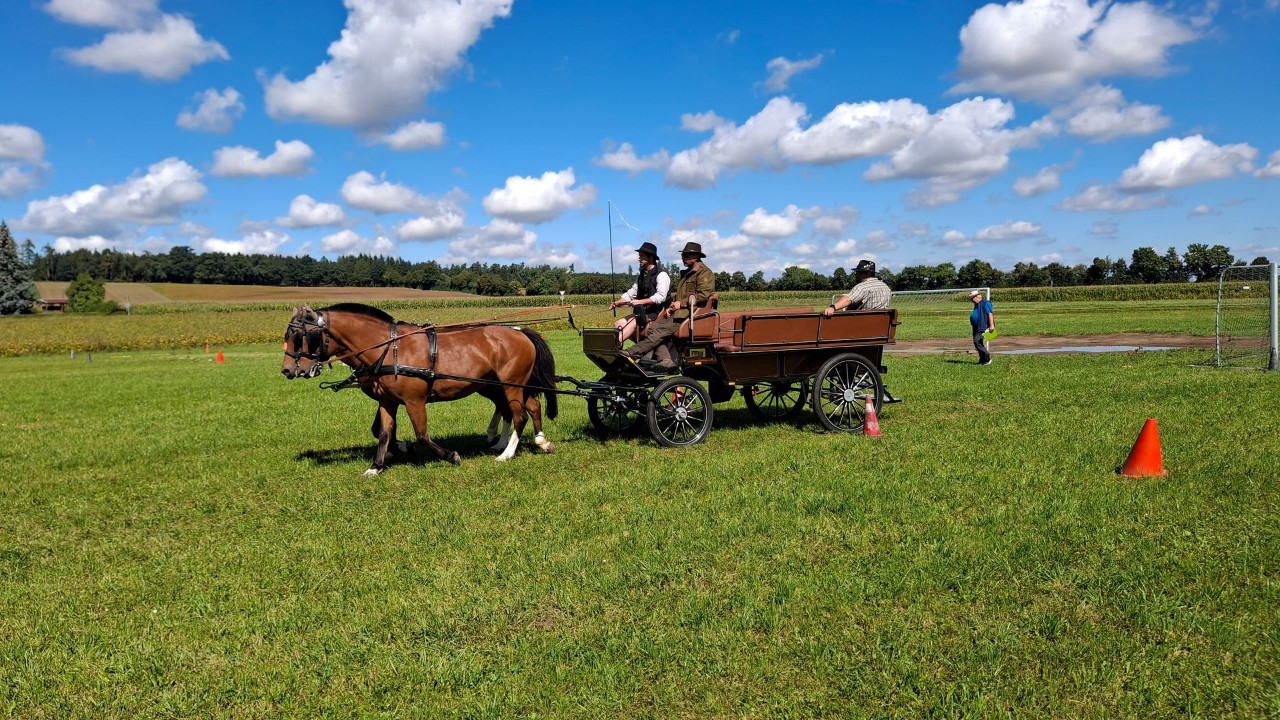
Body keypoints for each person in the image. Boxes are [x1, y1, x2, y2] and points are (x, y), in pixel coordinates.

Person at [620, 241, 715, 373]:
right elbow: (682, 295)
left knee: (658, 331)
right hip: (680, 312)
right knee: (653, 329)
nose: (683, 258)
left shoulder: (704, 273)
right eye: (683, 255)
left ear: (696, 257)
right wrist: (672, 305)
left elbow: (703, 295)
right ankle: (665, 359)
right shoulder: (688, 272)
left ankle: (632, 353)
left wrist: (680, 304)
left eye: (686, 256)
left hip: (692, 315)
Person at [608, 241, 670, 346]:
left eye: (642, 256)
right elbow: (632, 293)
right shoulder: (641, 275)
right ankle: (618, 352)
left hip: (657, 312)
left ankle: (613, 346)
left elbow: (661, 297)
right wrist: (618, 302)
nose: (639, 259)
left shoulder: (661, 275)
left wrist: (640, 302)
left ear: (651, 257)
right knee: (618, 323)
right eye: (639, 256)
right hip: (642, 313)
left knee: (633, 323)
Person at [823, 259, 890, 316]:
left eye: (859, 272)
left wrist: (833, 307)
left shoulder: (862, 287)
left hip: (862, 326)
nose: (856, 275)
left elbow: (849, 299)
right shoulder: (886, 287)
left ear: (868, 273)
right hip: (882, 327)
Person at [969, 289, 995, 365]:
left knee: (977, 341)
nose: (971, 300)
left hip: (983, 326)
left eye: (972, 298)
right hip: (976, 327)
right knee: (977, 342)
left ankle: (987, 358)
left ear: (977, 297)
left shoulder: (985, 303)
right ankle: (982, 359)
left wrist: (991, 325)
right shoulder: (977, 305)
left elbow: (990, 314)